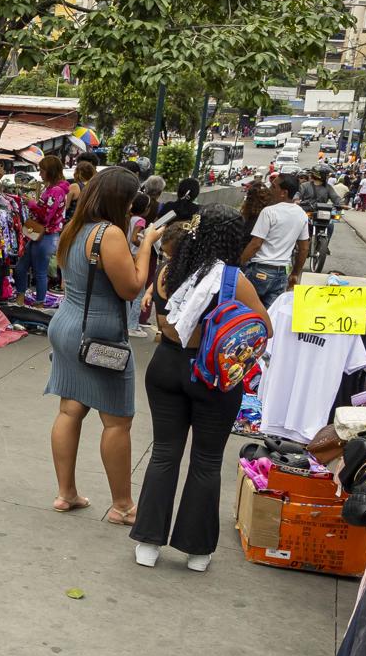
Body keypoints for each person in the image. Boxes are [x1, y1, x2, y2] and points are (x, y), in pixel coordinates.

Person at [130, 204, 269, 571]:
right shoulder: (233, 280)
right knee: (206, 462)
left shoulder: (167, 271)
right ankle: (197, 551)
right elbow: (264, 327)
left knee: (163, 454)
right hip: (212, 376)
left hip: (166, 366)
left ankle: (147, 543)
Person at [46, 166, 154, 524]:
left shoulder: (74, 228)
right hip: (99, 335)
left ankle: (66, 494)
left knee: (69, 410)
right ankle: (123, 506)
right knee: (118, 421)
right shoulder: (109, 234)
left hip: (66, 325)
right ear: (120, 200)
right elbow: (131, 287)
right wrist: (148, 245)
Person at [239, 172, 309, 307]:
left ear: (283, 192)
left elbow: (255, 244)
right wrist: (295, 273)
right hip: (282, 274)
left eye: (274, 187)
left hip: (259, 270)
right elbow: (304, 248)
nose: (270, 189)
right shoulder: (301, 214)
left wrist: (239, 263)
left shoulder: (269, 212)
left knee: (246, 313)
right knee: (270, 315)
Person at [22, 153, 73, 305]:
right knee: (25, 268)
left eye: (42, 170)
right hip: (42, 235)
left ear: (50, 172)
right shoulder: (52, 189)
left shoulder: (55, 191)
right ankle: (29, 301)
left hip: (46, 235)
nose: (40, 174)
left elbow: (45, 216)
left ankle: (39, 304)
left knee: (40, 272)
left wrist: (32, 204)